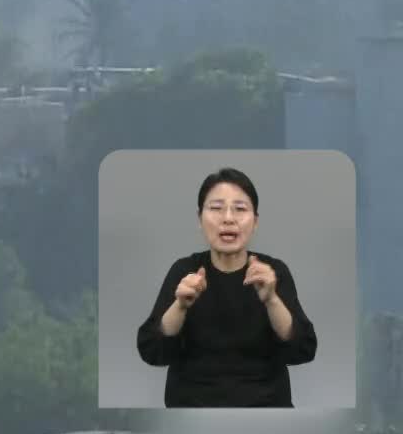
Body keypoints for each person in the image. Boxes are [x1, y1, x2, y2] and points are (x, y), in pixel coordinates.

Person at [136, 167, 318, 407]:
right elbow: (152, 350)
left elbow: (303, 350)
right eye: (216, 208)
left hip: (266, 412)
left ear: (255, 221)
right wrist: (180, 306)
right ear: (200, 218)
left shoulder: (273, 272)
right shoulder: (184, 271)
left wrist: (272, 299)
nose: (228, 218)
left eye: (240, 209)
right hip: (191, 415)